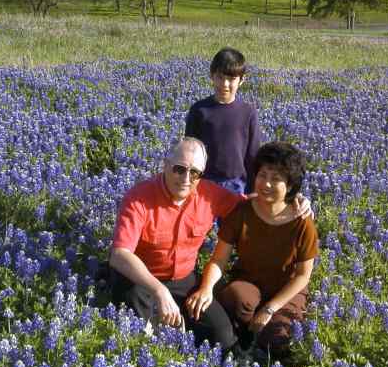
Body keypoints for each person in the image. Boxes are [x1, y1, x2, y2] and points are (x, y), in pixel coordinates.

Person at [108, 137, 311, 351]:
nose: (186, 178)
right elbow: (120, 254)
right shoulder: (139, 197)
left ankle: (185, 326)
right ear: (165, 165)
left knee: (222, 337)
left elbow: (251, 204)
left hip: (183, 279)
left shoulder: (210, 194)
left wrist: (292, 198)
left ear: (201, 174)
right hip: (141, 280)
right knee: (142, 338)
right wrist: (159, 290)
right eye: (179, 169)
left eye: (194, 172)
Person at [186, 141, 319, 359]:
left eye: (276, 179)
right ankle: (245, 338)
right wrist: (206, 288)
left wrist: (270, 309)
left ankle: (263, 342)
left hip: (286, 290)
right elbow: (219, 259)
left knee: (278, 337)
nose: (266, 183)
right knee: (238, 299)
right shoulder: (242, 211)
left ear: (291, 185)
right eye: (262, 175)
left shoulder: (302, 221)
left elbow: (303, 275)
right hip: (248, 283)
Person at [184, 47, 260, 194]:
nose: (225, 84)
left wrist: (252, 190)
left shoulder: (248, 112)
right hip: (204, 184)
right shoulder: (199, 110)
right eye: (220, 77)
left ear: (242, 80)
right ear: (211, 76)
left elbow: (253, 155)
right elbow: (189, 151)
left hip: (237, 185)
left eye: (231, 79)